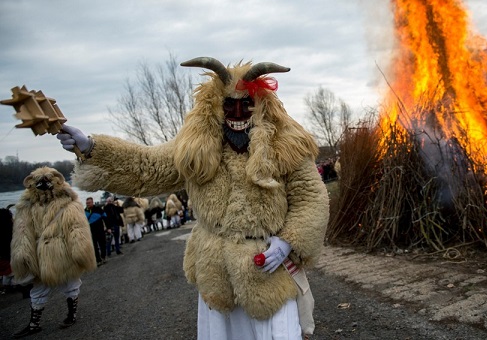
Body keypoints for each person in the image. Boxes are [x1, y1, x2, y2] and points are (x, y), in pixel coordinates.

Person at [56, 57, 329, 339]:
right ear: (215, 106)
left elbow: (311, 197)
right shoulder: (197, 147)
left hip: (267, 269)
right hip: (216, 271)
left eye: (245, 103)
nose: (237, 112)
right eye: (228, 105)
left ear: (260, 104)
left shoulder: (286, 143)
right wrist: (91, 148)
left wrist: (287, 242)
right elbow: (146, 168)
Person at [11, 167, 96, 337]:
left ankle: (71, 314)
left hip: (62, 253)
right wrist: (23, 256)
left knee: (70, 284)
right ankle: (34, 323)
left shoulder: (69, 203)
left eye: (48, 181)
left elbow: (76, 229)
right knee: (38, 290)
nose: (44, 185)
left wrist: (80, 252)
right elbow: (22, 231)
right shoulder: (26, 206)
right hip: (40, 256)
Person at [85, 197, 108, 266]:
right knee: (94, 246)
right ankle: (98, 260)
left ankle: (103, 257)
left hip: (100, 230)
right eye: (87, 203)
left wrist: (108, 227)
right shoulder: (84, 211)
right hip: (90, 231)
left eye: (89, 203)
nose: (88, 204)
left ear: (92, 202)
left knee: (102, 244)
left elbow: (105, 218)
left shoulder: (99, 209)